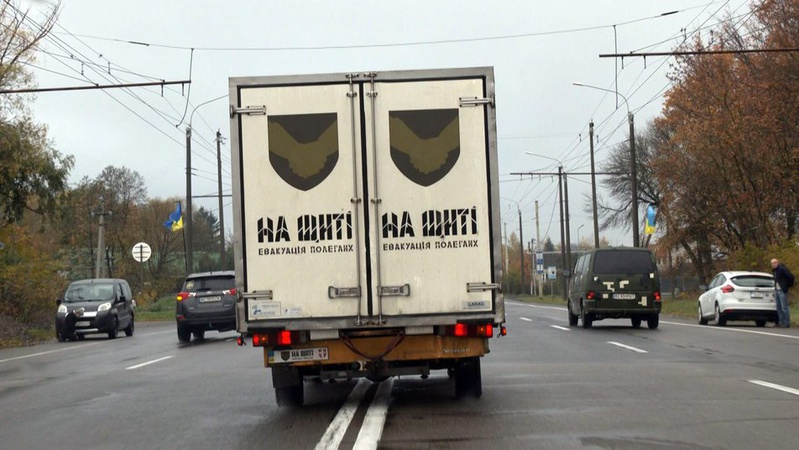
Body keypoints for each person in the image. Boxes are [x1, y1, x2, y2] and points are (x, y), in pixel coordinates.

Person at [771, 258, 794, 328]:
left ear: (777, 263)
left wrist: (786, 286)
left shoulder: (782, 269)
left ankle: (786, 322)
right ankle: (781, 322)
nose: (773, 264)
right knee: (778, 307)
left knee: (784, 307)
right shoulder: (774, 271)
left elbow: (790, 277)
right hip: (777, 290)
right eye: (772, 263)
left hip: (782, 290)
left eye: (774, 263)